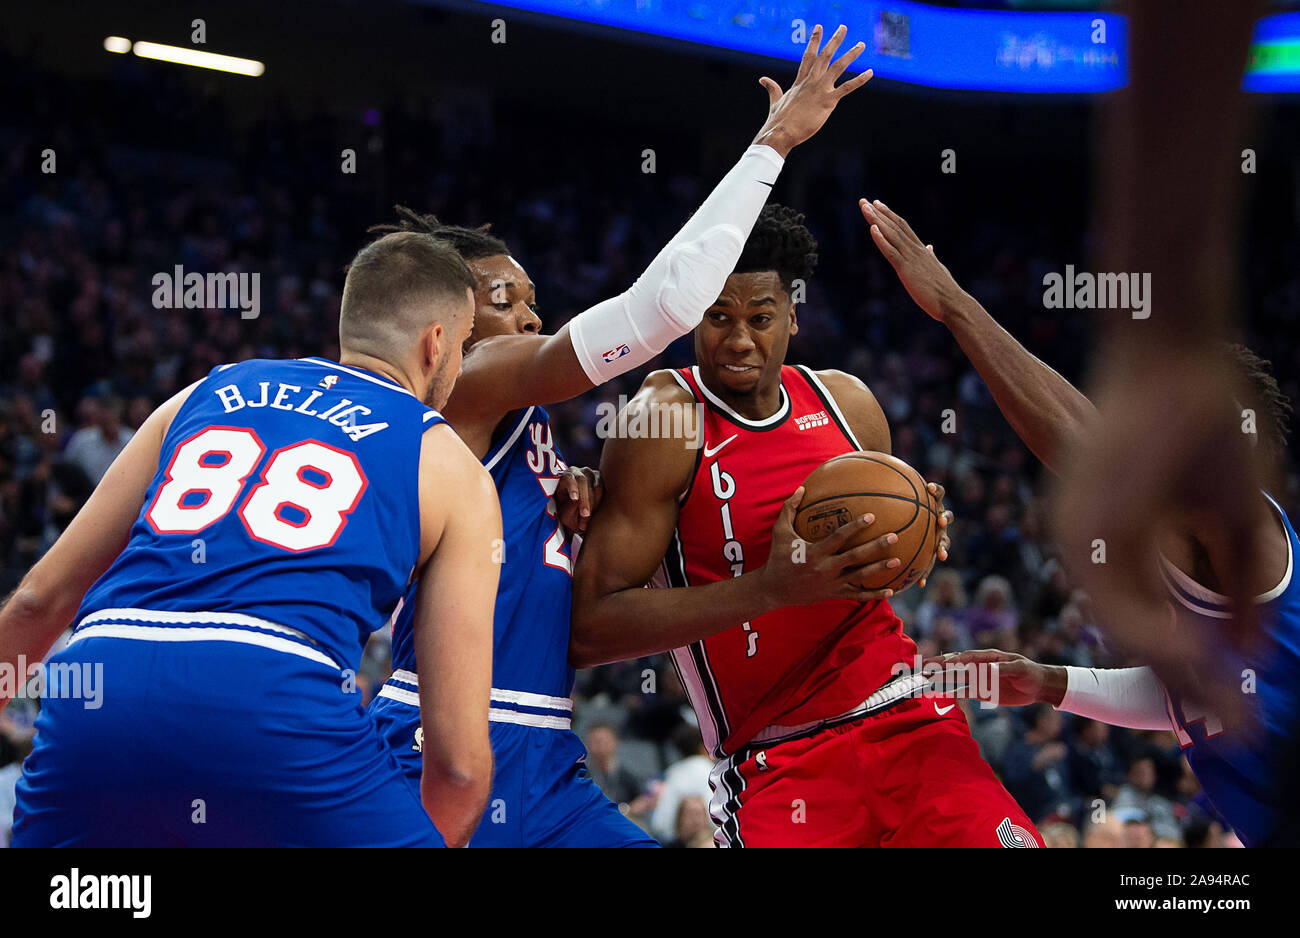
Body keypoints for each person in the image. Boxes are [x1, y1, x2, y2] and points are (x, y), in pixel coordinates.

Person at [366, 23, 876, 847]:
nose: (527, 315)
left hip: (543, 748)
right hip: (440, 736)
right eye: (503, 298)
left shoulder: (519, 439)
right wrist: (773, 144)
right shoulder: (466, 383)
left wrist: (574, 489)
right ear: (445, 321)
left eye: (531, 299)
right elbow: (660, 310)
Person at [1, 231, 500, 847]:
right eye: (465, 344)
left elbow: (34, 604)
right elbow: (458, 767)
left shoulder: (201, 394)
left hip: (104, 688)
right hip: (271, 694)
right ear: (436, 344)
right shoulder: (448, 464)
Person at [570, 204, 1043, 847]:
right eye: (718, 317)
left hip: (905, 717)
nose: (739, 339)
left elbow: (881, 573)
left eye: (760, 319)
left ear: (793, 316)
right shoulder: (665, 419)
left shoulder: (847, 404)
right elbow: (591, 627)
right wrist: (769, 589)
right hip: (775, 759)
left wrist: (916, 542)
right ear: (691, 319)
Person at [861, 197, 1300, 846]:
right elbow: (1198, 700)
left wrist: (956, 304)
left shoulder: (1238, 543)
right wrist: (1050, 684)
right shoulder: (1214, 562)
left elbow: (1080, 446)